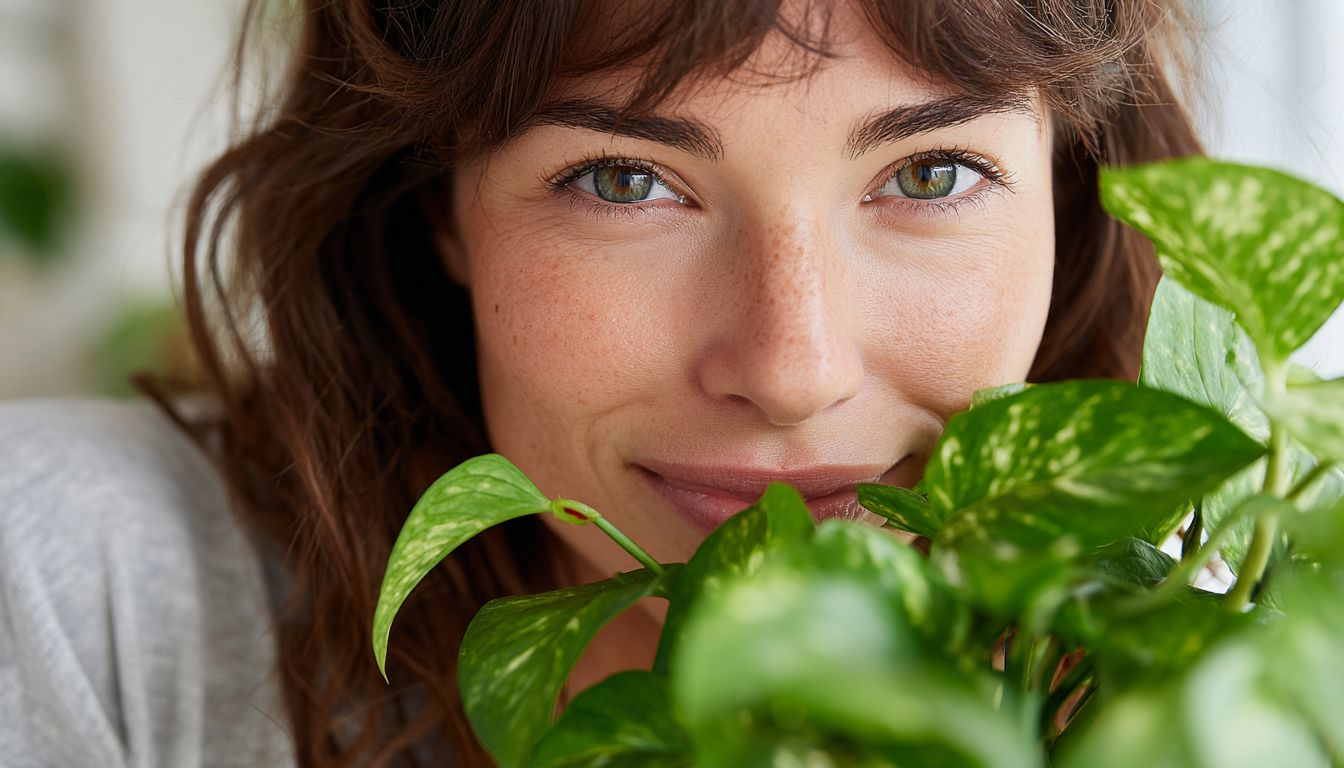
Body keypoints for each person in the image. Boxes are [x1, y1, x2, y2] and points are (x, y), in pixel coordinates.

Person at [0, 0, 1205, 764]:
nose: (793, 370)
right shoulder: (72, 595)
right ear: (438, 207)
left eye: (933, 175)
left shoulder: (1225, 679)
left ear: (1075, 192)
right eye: (624, 182)